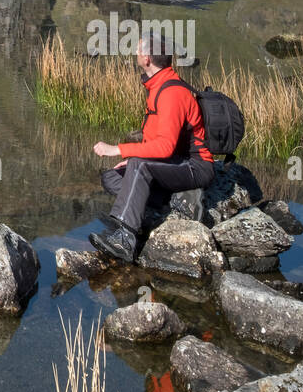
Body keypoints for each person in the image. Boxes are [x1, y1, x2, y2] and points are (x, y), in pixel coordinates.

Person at [88, 32, 215, 263]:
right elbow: (156, 138)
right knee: (112, 177)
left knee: (137, 166)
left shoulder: (172, 93)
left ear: (146, 58)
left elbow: (165, 147)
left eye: (138, 50)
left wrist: (120, 150)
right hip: (173, 163)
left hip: (195, 166)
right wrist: (135, 159)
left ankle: (125, 240)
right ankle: (175, 200)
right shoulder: (158, 86)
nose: (136, 54)